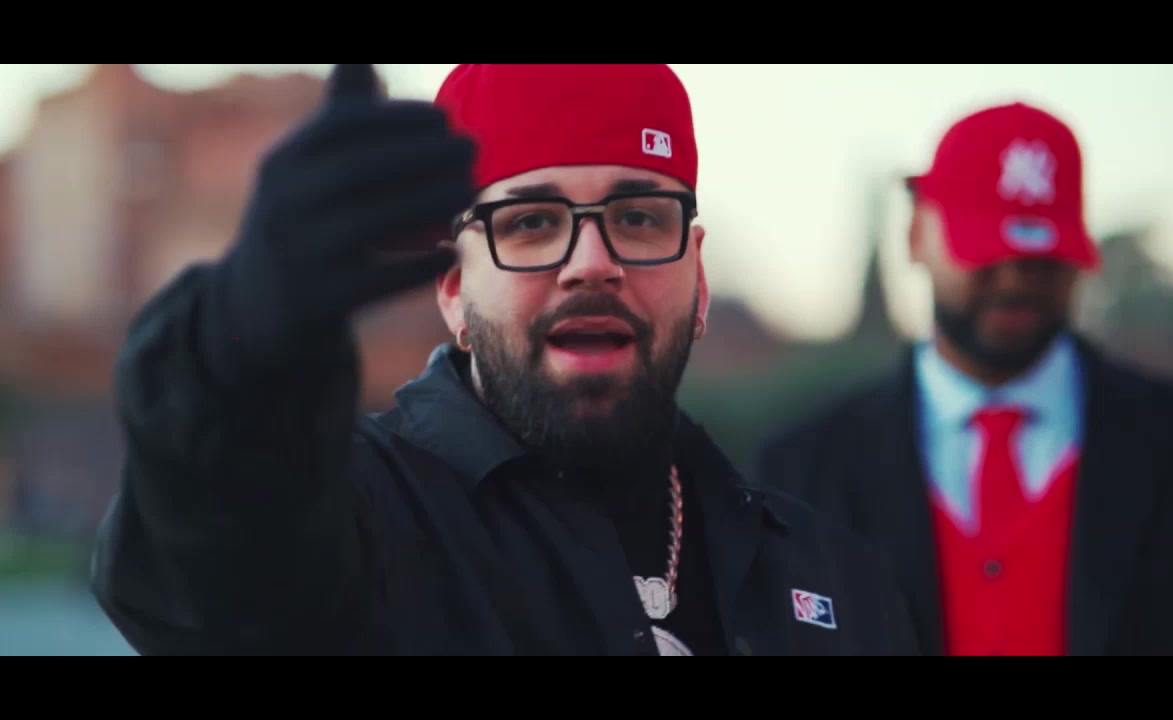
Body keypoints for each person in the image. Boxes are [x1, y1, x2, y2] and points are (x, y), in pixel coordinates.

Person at [90, 63, 919, 656]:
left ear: (697, 279)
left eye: (637, 217)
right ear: (454, 290)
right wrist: (239, 339)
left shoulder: (831, 573)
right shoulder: (361, 519)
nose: (592, 262)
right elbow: (205, 579)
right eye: (530, 223)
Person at [753, 101, 1173, 656]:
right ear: (915, 235)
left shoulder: (1170, 441)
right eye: (986, 250)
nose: (1015, 280)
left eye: (1041, 258)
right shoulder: (801, 471)